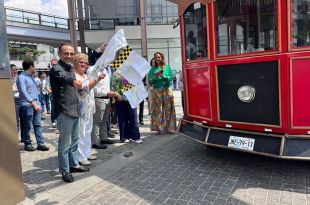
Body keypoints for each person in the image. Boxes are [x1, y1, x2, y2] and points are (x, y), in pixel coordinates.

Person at [49, 44, 89, 183]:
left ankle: (73, 165)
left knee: (75, 141)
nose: (69, 56)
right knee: (64, 144)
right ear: (59, 53)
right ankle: (65, 170)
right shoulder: (56, 68)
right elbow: (64, 77)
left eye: (72, 54)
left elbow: (83, 67)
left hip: (75, 110)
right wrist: (74, 81)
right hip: (64, 110)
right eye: (66, 53)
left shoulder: (71, 67)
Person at [74, 53, 105, 166]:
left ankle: (86, 153)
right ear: (76, 63)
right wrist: (97, 79)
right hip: (80, 107)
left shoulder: (85, 76)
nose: (83, 64)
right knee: (81, 132)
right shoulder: (74, 75)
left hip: (89, 107)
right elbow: (84, 88)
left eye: (85, 62)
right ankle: (80, 156)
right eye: (81, 62)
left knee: (88, 131)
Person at [16, 60, 49, 152]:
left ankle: (40, 143)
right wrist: (33, 103)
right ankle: (28, 143)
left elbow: (35, 92)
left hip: (36, 105)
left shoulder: (31, 77)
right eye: (34, 66)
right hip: (27, 105)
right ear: (31, 66)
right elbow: (23, 92)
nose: (35, 68)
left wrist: (38, 103)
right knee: (27, 126)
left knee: (37, 124)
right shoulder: (21, 77)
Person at [89, 43, 116, 150]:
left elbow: (107, 85)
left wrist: (110, 94)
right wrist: (106, 93)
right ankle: (95, 141)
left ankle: (104, 138)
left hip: (107, 98)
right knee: (97, 121)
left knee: (105, 120)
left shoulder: (105, 70)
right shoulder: (92, 69)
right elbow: (93, 86)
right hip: (99, 99)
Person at [148, 52, 177, 135]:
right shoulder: (152, 69)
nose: (158, 59)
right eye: (156, 57)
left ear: (162, 58)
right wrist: (155, 77)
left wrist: (165, 76)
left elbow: (171, 79)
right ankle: (160, 128)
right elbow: (150, 82)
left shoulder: (167, 67)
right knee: (159, 110)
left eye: (159, 57)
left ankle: (170, 128)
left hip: (166, 89)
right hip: (157, 90)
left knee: (168, 109)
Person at [112, 72, 142, 144]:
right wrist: (117, 95)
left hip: (131, 99)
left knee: (133, 118)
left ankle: (135, 137)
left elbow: (137, 84)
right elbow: (113, 86)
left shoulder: (132, 72)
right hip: (119, 99)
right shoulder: (115, 74)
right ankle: (124, 137)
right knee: (122, 119)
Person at [48, 58, 58, 127]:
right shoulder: (50, 74)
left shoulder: (61, 72)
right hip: (53, 94)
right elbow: (47, 86)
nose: (53, 66)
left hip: (61, 95)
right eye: (52, 65)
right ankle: (54, 121)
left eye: (55, 64)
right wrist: (51, 92)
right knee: (54, 108)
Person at [11, 64, 20, 133]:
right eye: (13, 70)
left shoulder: (19, 78)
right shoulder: (7, 79)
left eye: (16, 70)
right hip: (12, 100)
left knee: (21, 119)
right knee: (15, 118)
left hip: (20, 99)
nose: (15, 71)